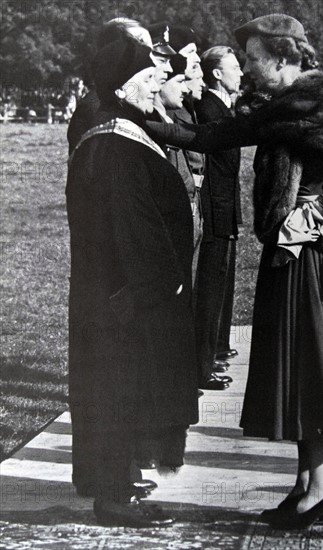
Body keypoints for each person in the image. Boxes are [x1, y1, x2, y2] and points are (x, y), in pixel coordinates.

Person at [145, 14, 323, 530]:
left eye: (254, 58)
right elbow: (213, 135)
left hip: (315, 257)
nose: (247, 67)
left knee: (315, 370)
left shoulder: (320, 101)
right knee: (300, 368)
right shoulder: (281, 107)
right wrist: (143, 121)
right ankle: (308, 484)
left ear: (281, 60)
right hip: (290, 254)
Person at [66, 36, 198, 527]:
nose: (157, 83)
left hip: (120, 296)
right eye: (148, 78)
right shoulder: (112, 146)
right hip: (123, 299)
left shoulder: (120, 136)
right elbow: (133, 229)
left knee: (121, 388)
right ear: (123, 87)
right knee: (117, 388)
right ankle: (114, 495)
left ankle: (115, 476)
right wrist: (166, 286)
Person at [192, 46, 243, 390]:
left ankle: (217, 347)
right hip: (214, 209)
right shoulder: (211, 108)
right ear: (217, 74)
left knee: (221, 283)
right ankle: (203, 364)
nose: (241, 72)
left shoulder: (221, 107)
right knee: (210, 288)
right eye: (235, 67)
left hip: (224, 206)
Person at [67, 18, 173, 154]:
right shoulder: (94, 107)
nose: (150, 58)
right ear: (115, 49)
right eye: (142, 47)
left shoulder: (134, 103)